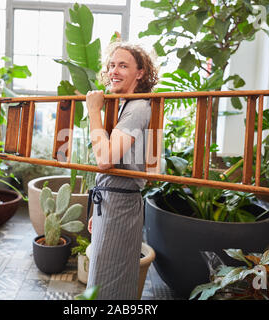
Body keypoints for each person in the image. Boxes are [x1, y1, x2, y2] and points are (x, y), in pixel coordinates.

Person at [85, 42, 158, 299]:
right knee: (102, 278)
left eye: (123, 65)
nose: (114, 71)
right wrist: (97, 210)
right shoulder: (125, 104)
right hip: (111, 202)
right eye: (112, 65)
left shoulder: (138, 107)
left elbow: (105, 158)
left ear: (140, 73)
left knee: (109, 285)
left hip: (120, 206)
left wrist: (93, 110)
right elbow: (111, 169)